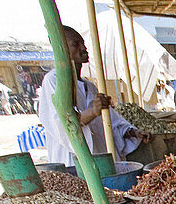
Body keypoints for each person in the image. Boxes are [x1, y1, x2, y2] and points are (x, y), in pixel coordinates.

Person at [37, 26, 150, 167]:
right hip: (73, 162)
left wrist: (131, 131)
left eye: (83, 43)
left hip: (99, 158)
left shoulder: (89, 86)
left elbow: (111, 122)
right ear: (62, 49)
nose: (83, 48)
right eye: (76, 44)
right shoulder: (54, 81)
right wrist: (93, 112)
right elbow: (63, 124)